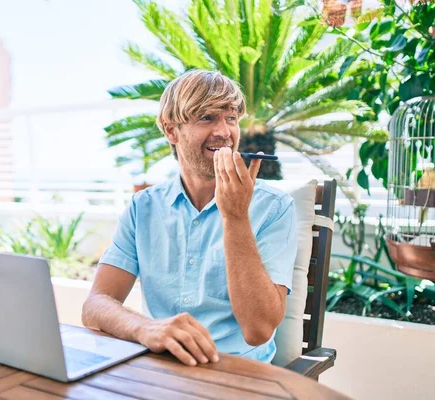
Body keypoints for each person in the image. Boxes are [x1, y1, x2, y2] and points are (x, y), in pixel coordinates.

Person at [82, 69, 297, 366]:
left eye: (231, 117)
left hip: (238, 375)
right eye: (207, 117)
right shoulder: (143, 208)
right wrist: (146, 328)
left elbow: (258, 331)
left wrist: (235, 217)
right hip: (163, 370)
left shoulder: (273, 207)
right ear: (172, 131)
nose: (224, 132)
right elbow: (95, 305)